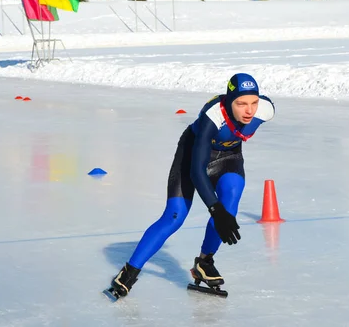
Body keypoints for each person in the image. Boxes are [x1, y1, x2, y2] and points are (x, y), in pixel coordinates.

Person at [109, 73, 275, 298]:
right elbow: (198, 171)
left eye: (253, 102)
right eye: (241, 103)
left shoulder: (266, 109)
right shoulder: (213, 116)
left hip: (229, 157)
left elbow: (255, 109)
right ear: (229, 100)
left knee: (231, 201)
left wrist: (222, 211)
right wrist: (215, 210)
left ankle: (205, 262)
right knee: (174, 216)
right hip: (192, 156)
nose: (249, 110)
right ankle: (128, 273)